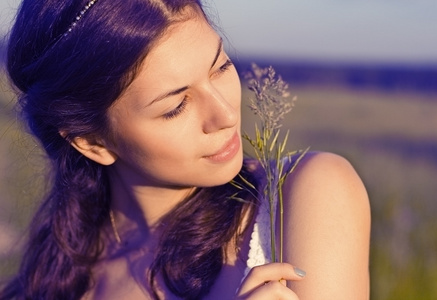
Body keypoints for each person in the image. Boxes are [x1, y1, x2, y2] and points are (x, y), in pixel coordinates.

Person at [0, 0, 371, 299]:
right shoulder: (55, 283)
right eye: (176, 106)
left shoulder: (305, 193)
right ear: (93, 142)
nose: (225, 115)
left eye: (221, 67)